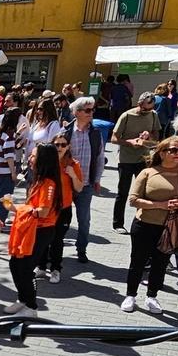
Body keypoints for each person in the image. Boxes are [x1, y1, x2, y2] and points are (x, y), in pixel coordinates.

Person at [121, 139, 178, 314]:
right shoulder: (148, 172)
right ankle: (130, 295)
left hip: (169, 227)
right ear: (162, 152)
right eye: (173, 150)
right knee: (138, 261)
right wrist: (161, 204)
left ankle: (152, 296)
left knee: (161, 262)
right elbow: (133, 200)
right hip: (144, 224)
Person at [3, 143, 61, 319]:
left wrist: (16, 208)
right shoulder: (37, 179)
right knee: (15, 263)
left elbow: (43, 211)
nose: (29, 157)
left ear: (43, 159)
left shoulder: (49, 184)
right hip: (29, 228)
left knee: (26, 268)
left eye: (34, 155)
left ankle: (32, 306)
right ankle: (22, 298)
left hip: (41, 231)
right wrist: (14, 208)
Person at [60, 97, 104, 264]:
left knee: (84, 219)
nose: (91, 113)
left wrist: (97, 179)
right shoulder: (66, 132)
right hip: (66, 184)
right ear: (77, 113)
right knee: (62, 219)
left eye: (93, 110)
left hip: (85, 185)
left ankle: (81, 249)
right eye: (87, 110)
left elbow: (100, 158)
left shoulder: (95, 133)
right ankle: (56, 247)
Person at [110, 91, 161, 231]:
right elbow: (114, 138)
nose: (147, 112)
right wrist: (129, 142)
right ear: (139, 104)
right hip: (126, 160)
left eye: (150, 109)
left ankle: (142, 221)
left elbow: (156, 136)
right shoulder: (127, 116)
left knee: (144, 192)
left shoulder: (153, 115)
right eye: (145, 109)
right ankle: (118, 224)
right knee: (123, 192)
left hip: (143, 159)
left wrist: (148, 135)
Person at [44, 131, 85, 279]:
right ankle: (41, 267)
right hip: (46, 208)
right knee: (43, 239)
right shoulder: (46, 162)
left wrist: (73, 175)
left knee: (57, 240)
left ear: (68, 146)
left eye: (63, 144)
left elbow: (79, 188)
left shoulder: (73, 164)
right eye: (57, 144)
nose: (59, 147)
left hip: (63, 208)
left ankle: (56, 269)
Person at [0, 106, 21, 220]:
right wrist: (13, 173)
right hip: (5, 173)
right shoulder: (9, 136)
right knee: (5, 198)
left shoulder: (0, 132)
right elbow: (9, 156)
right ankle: (0, 220)